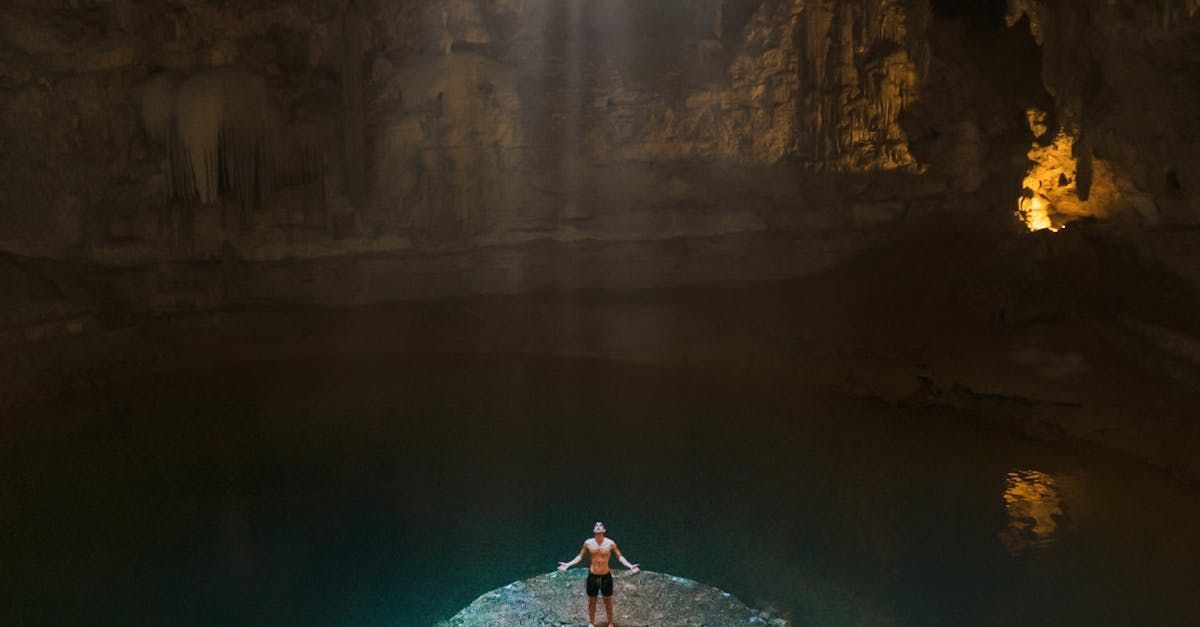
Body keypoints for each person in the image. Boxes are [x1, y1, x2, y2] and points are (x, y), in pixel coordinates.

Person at [557, 521, 640, 627]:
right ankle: (591, 623)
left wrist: (630, 565)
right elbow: (580, 556)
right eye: (596, 525)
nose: (598, 526)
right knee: (592, 601)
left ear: (604, 530)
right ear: (594, 530)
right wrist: (568, 564)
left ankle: (610, 623)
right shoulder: (588, 543)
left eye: (600, 525)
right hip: (593, 576)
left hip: (606, 576)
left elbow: (620, 556)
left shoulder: (610, 543)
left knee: (608, 601)